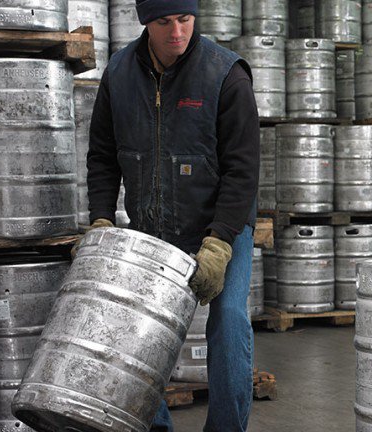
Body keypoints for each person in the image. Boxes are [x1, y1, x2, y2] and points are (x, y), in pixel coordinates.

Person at [85, 0, 260, 430]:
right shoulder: (119, 74)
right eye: (164, 22)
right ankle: (154, 424)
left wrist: (219, 243)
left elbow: (243, 169)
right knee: (140, 331)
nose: (177, 32)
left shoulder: (226, 74)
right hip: (153, 226)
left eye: (184, 19)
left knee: (229, 321)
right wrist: (102, 219)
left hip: (221, 224)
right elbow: (103, 158)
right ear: (145, 21)